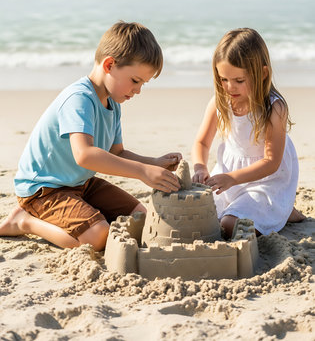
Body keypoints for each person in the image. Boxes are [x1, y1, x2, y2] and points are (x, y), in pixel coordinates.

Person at [0, 21, 181, 251]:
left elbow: (117, 153)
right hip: (44, 189)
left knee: (141, 218)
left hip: (80, 183)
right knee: (98, 236)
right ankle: (23, 221)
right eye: (135, 81)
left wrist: (154, 163)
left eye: (143, 84)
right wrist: (142, 172)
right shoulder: (79, 99)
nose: (138, 90)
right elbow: (85, 156)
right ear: (109, 65)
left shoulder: (113, 103)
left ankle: (75, 214)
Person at [192, 27, 305, 239]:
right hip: (228, 175)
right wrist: (200, 166)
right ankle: (278, 210)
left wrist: (232, 179)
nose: (229, 87)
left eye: (239, 80)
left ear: (262, 73)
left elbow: (271, 162)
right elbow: (202, 143)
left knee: (228, 224)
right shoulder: (220, 102)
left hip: (265, 180)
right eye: (223, 79)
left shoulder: (274, 108)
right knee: (199, 215)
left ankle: (282, 207)